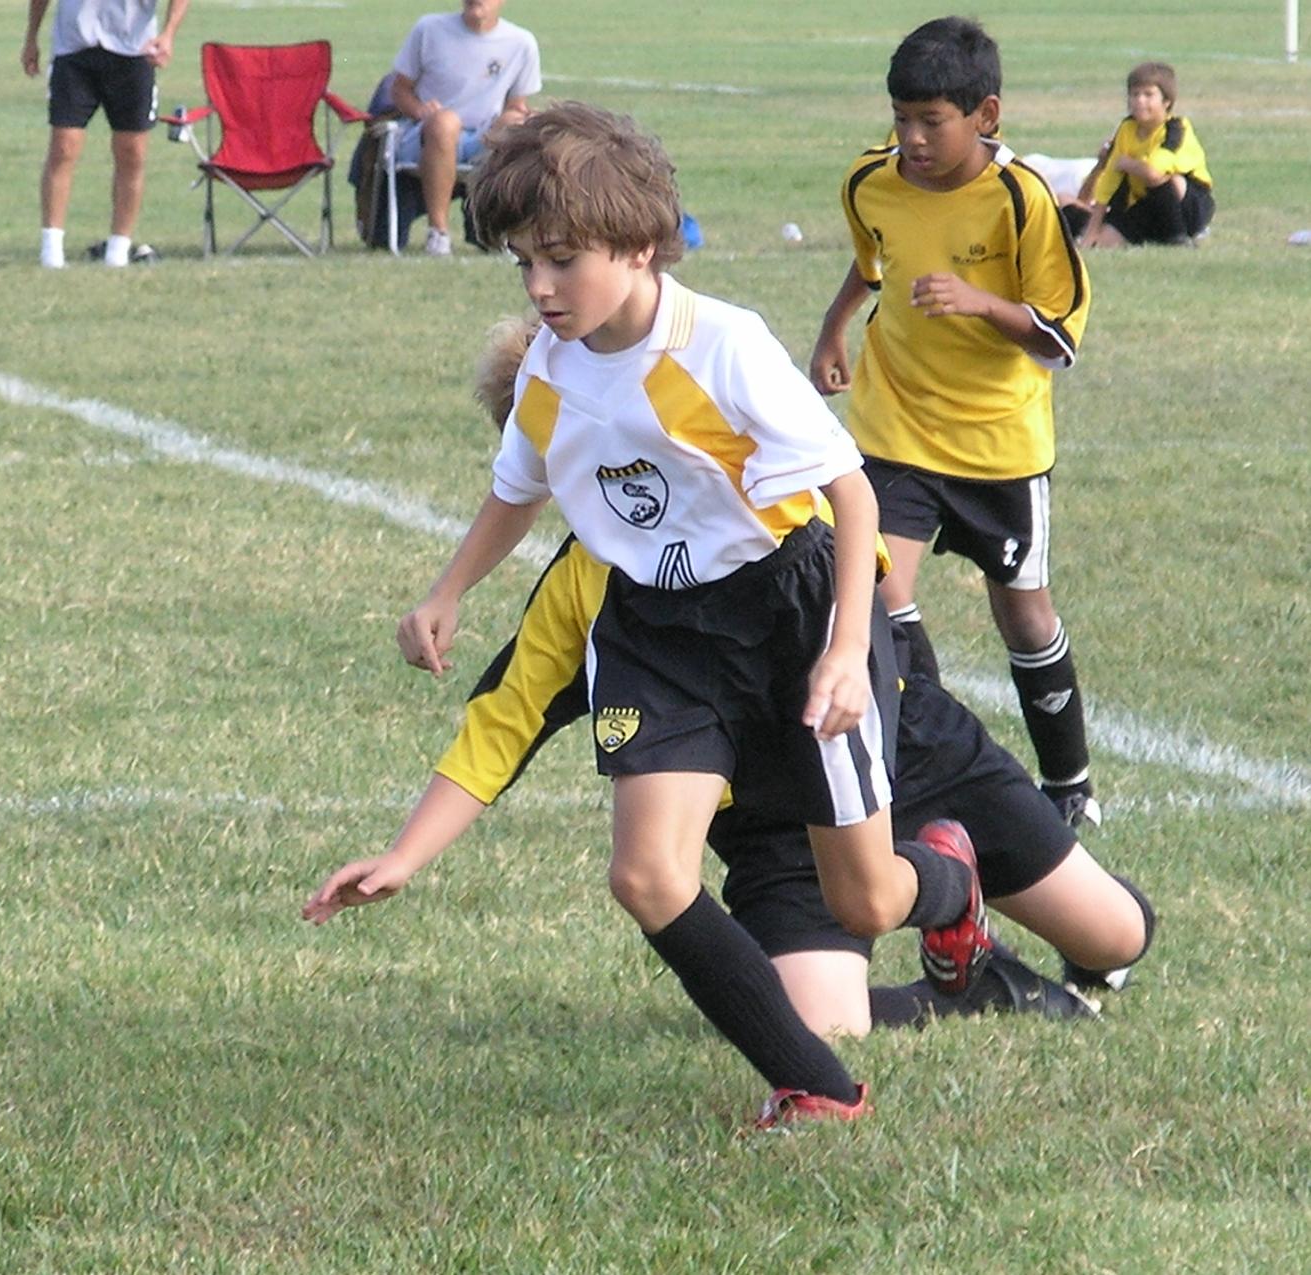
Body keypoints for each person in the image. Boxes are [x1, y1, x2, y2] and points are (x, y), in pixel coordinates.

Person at [305, 317, 1153, 1122]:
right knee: (823, 1024)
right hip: (774, 829)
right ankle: (980, 978)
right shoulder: (590, 588)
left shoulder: (769, 503)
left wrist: (862, 664)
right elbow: (501, 726)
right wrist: (403, 855)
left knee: (1117, 936)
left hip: (907, 746)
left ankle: (948, 879)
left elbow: (871, 583)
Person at [347, 102, 1009, 1128]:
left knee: (866, 900)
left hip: (790, 611)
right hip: (658, 631)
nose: (538, 287)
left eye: (560, 260)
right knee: (647, 875)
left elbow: (849, 494)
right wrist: (447, 592)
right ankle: (818, 1088)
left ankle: (950, 885)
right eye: (523, 263)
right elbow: (518, 488)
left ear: (637, 244)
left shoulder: (721, 344)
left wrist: (845, 650)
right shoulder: (548, 368)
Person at [810, 17, 1101, 829]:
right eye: (901, 118)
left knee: (1024, 614)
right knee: (875, 595)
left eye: (930, 122)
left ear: (986, 115)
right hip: (894, 427)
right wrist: (834, 327)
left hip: (998, 443)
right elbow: (872, 262)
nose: (911, 138)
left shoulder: (1021, 198)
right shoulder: (870, 181)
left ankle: (1070, 783)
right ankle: (929, 763)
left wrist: (980, 302)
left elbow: (1059, 337)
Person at [22, 0, 190, 268]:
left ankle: (118, 250)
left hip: (134, 50)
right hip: (74, 47)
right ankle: (51, 251)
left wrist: (168, 33)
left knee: (132, 153)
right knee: (63, 147)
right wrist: (32, 36)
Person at [389, 0, 541, 257]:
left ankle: (502, 227)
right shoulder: (429, 29)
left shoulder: (521, 42)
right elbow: (399, 89)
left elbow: (516, 105)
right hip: (426, 136)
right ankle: (438, 232)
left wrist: (521, 118)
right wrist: (420, 110)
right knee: (446, 123)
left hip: (481, 137)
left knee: (516, 125)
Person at [1063, 62, 1214, 248]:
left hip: (1188, 206)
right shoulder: (1127, 129)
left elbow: (1154, 171)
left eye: (1148, 95)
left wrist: (1127, 163)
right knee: (1103, 242)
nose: (1140, 100)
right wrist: (1092, 232)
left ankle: (1179, 238)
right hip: (1143, 204)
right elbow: (1109, 181)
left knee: (1170, 180)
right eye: (1135, 94)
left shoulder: (1176, 129)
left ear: (1166, 101)